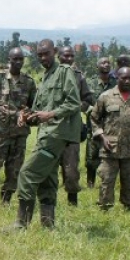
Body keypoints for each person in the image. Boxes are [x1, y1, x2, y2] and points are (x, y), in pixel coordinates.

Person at [9, 39, 82, 229]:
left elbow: (74, 103)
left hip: (57, 134)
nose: (43, 58)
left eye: (46, 54)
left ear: (55, 52)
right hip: (46, 133)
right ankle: (48, 225)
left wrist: (50, 114)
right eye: (39, 55)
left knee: (27, 173)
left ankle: (21, 225)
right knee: (47, 180)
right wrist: (26, 117)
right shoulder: (46, 77)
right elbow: (39, 112)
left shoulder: (64, 72)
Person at [0, 47, 36, 206]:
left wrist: (26, 115)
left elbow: (33, 107)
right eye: (15, 59)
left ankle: (6, 201)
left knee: (14, 170)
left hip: (19, 134)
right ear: (9, 60)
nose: (18, 62)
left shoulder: (29, 82)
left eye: (21, 59)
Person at [89, 67, 130, 211]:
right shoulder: (106, 97)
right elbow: (94, 118)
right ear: (117, 78)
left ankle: (128, 207)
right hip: (110, 147)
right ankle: (105, 207)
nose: (127, 81)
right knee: (107, 178)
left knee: (129, 180)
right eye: (124, 78)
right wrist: (101, 136)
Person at [56, 46, 92, 206]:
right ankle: (48, 202)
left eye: (71, 56)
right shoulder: (51, 75)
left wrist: (77, 107)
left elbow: (89, 99)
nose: (68, 59)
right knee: (49, 169)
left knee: (71, 169)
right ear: (59, 57)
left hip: (72, 129)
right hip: (53, 129)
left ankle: (72, 202)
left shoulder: (79, 77)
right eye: (65, 56)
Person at [84, 56, 117, 188]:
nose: (106, 65)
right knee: (91, 157)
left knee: (110, 155)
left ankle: (108, 183)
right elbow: (82, 102)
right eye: (103, 63)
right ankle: (90, 183)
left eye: (108, 63)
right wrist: (93, 110)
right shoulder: (89, 83)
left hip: (111, 126)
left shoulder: (116, 83)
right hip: (93, 126)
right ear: (97, 66)